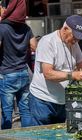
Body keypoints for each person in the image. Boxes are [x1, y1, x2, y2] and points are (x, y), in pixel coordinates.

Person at [29, 15, 82, 126]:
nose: (76, 40)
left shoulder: (74, 43)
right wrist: (73, 75)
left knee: (57, 135)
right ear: (65, 29)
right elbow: (48, 74)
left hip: (62, 101)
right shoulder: (48, 42)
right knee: (40, 136)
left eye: (79, 37)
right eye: (75, 36)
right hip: (43, 100)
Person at [0, 0, 37, 129]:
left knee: (7, 112)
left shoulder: (2, 28)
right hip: (24, 73)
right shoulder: (26, 28)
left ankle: (6, 137)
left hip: (7, 74)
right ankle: (28, 137)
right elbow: (34, 46)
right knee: (25, 111)